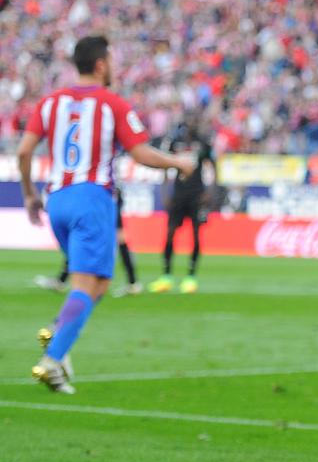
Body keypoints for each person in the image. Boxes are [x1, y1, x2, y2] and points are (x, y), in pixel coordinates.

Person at [18, 35, 194, 393]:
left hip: (57, 200)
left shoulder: (51, 102)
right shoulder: (112, 103)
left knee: (96, 283)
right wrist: (179, 162)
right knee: (88, 284)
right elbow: (141, 153)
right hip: (91, 198)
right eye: (110, 59)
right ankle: (52, 359)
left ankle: (59, 338)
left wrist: (29, 195)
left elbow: (23, 152)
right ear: (100, 64)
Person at [148, 121, 216, 294]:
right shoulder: (174, 143)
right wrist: (164, 192)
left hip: (196, 195)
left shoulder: (203, 143)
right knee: (170, 233)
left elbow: (213, 167)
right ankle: (166, 277)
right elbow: (164, 165)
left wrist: (209, 191)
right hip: (178, 195)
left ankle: (191, 278)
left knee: (195, 234)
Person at [35, 186, 141, 296]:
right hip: (104, 193)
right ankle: (132, 283)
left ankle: (132, 283)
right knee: (85, 237)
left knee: (92, 237)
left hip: (104, 194)